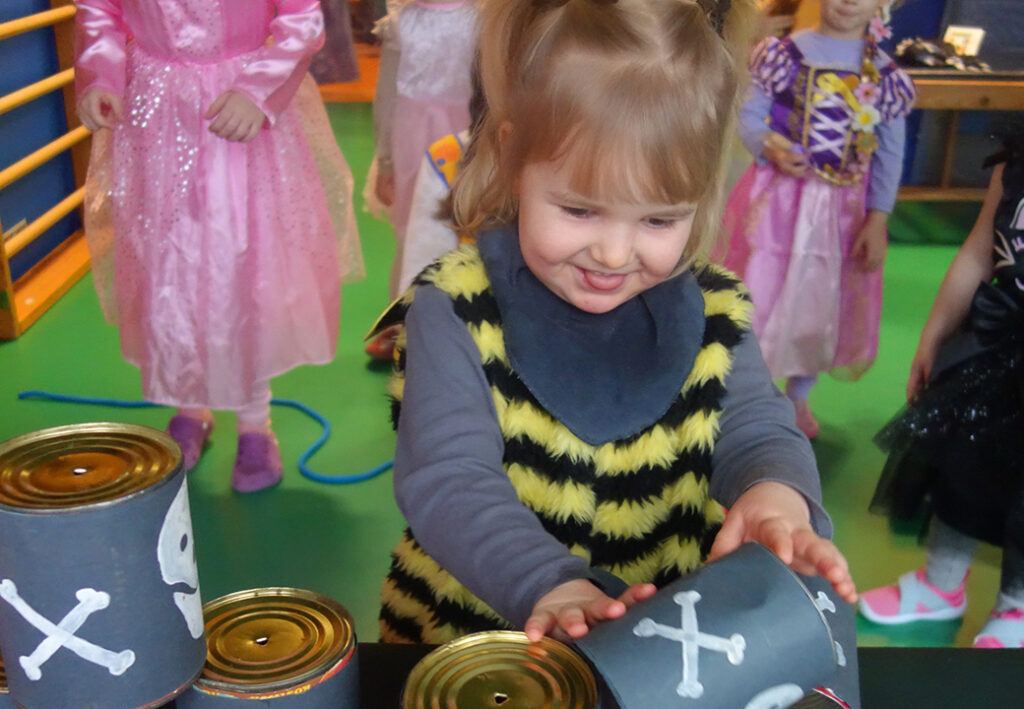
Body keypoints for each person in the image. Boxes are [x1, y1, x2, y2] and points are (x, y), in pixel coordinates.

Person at [373, 0, 858, 664]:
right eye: (579, 208)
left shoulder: (715, 311)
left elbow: (755, 426)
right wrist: (551, 582)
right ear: (513, 155)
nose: (613, 253)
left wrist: (774, 494)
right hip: (482, 642)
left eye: (659, 219)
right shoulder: (452, 309)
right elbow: (449, 477)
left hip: (663, 650)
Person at [75, 0, 363, 492]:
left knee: (241, 265)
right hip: (156, 116)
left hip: (237, 112)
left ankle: (255, 422)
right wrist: (101, 72)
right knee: (168, 265)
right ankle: (190, 404)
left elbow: (301, 18)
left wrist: (259, 90)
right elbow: (99, 10)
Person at [858, 132, 1024, 649]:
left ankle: (1016, 606)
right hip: (997, 342)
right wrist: (933, 338)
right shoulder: (1013, 164)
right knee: (961, 464)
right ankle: (942, 584)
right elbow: (977, 254)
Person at [721, 0, 915, 438]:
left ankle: (798, 396)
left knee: (821, 301)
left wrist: (878, 218)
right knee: (761, 289)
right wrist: (767, 143)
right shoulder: (784, 55)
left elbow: (889, 153)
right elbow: (749, 114)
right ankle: (748, 390)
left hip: (842, 214)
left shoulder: (885, 77)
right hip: (781, 206)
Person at [363, 0, 478, 360]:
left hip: (468, 135)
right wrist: (385, 161)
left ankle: (467, 322)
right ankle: (402, 322)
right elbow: (386, 98)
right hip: (412, 140)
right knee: (411, 234)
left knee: (468, 230)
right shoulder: (401, 23)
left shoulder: (484, 17)